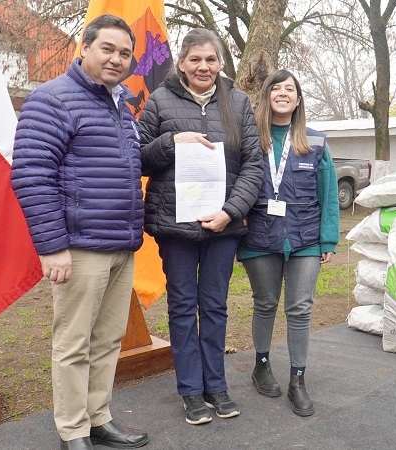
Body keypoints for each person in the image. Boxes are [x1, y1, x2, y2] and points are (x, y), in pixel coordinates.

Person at [11, 15, 148, 450]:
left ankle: (98, 418)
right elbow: (32, 174)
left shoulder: (120, 105)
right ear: (84, 48)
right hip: (79, 247)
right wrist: (52, 247)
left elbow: (127, 168)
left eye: (124, 53)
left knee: (108, 339)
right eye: (107, 48)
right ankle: (73, 432)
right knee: (74, 344)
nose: (116, 59)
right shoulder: (52, 99)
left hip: (121, 245)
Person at [137, 28, 263, 425]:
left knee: (214, 306)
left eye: (210, 60)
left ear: (220, 64)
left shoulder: (239, 103)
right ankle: (191, 391)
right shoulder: (159, 101)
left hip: (223, 226)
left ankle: (217, 385)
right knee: (181, 307)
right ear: (182, 63)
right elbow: (139, 158)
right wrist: (172, 140)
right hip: (176, 227)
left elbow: (253, 166)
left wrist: (231, 210)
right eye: (195, 60)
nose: (203, 67)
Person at [238, 70, 340, 417]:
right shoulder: (250, 139)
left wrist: (328, 238)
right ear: (266, 96)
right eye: (276, 88)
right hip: (259, 235)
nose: (283, 93)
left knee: (300, 308)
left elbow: (329, 195)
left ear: (298, 100)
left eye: (290, 89)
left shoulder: (316, 143)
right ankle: (261, 365)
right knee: (265, 303)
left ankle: (298, 379)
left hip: (305, 237)